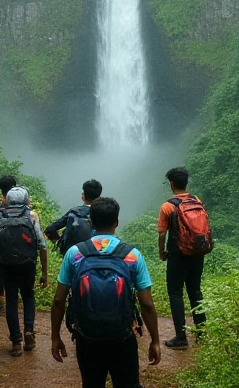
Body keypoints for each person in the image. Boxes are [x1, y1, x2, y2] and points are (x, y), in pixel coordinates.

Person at [50, 197, 161, 388]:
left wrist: (55, 337)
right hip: (122, 336)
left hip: (86, 336)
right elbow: (147, 304)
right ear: (116, 222)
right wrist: (155, 341)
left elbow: (59, 301)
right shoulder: (132, 255)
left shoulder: (75, 253)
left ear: (92, 222)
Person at [0, 185, 50, 356]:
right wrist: (44, 273)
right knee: (28, 295)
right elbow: (42, 246)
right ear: (26, 200)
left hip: (5, 264)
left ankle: (16, 342)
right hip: (28, 264)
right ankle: (29, 330)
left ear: (8, 200)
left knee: (11, 299)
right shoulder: (31, 216)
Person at [157, 166, 206, 349]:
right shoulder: (197, 200)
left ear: (171, 184)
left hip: (178, 253)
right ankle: (202, 332)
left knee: (175, 292)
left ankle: (181, 337)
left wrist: (162, 252)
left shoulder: (168, 206)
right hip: (197, 251)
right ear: (186, 182)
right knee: (195, 291)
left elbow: (162, 234)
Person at [45, 179, 101, 254]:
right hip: (95, 255)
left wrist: (59, 242)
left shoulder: (74, 212)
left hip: (72, 254)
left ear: (83, 196)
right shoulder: (102, 214)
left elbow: (50, 229)